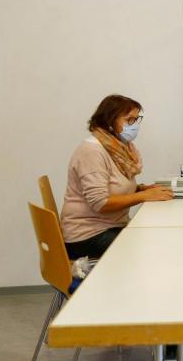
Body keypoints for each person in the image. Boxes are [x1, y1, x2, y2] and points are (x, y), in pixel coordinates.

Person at [60, 94, 173, 259]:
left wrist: (142, 189)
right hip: (87, 236)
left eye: (136, 120)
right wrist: (144, 196)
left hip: (109, 227)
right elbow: (100, 203)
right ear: (109, 121)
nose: (135, 125)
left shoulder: (117, 149)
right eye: (129, 120)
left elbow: (114, 185)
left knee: (156, 237)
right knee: (152, 247)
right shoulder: (92, 151)